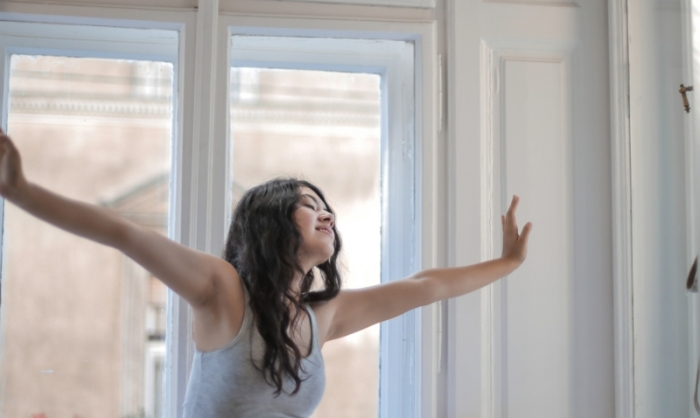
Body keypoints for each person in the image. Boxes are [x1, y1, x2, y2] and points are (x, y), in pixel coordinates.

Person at [0, 128, 532, 418]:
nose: (326, 212)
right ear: (270, 224)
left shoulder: (321, 319)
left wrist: (507, 264)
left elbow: (426, 287)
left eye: (326, 205)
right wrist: (22, 191)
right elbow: (125, 233)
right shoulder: (223, 294)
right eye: (307, 204)